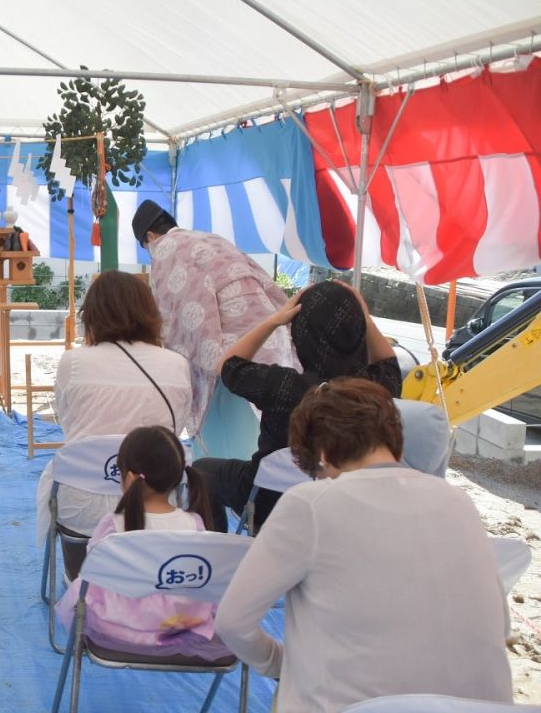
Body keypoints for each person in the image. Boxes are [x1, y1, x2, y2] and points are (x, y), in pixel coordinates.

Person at [216, 378, 513, 711]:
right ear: (394, 442)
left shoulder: (311, 504)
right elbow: (501, 626)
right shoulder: (458, 501)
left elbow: (232, 621)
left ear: (322, 455)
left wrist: (281, 665)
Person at [194, 280, 401, 533]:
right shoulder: (377, 390)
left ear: (299, 333)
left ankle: (218, 547)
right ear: (357, 331)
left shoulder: (280, 386)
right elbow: (388, 360)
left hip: (268, 504)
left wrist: (274, 321)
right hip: (345, 510)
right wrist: (363, 317)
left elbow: (227, 364)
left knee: (200, 471)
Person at [132, 200, 298, 459]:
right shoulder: (212, 239)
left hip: (226, 350)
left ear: (150, 236)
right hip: (268, 333)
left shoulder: (164, 248)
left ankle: (223, 491)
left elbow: (169, 315)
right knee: (267, 431)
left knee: (229, 444)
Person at [36, 271, 193, 545]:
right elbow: (174, 429)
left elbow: (68, 423)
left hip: (80, 505)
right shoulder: (175, 363)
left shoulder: (72, 363)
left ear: (92, 314)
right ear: (149, 311)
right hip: (158, 504)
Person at [56, 426, 230, 660]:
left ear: (127, 477)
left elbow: (92, 573)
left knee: (81, 588)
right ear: (179, 476)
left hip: (117, 629)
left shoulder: (113, 526)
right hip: (183, 626)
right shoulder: (196, 526)